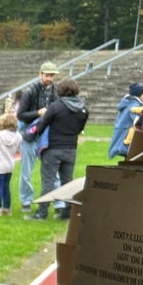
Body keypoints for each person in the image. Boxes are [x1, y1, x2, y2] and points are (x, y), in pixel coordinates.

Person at [29, 78, 88, 221]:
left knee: (48, 182)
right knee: (68, 182)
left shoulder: (56, 107)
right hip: (71, 149)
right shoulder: (83, 109)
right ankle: (68, 212)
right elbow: (80, 128)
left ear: (60, 91)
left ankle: (42, 213)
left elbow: (41, 126)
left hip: (53, 148)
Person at [16, 61, 58, 214]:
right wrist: (37, 113)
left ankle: (58, 203)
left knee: (54, 170)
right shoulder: (30, 92)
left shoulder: (56, 92)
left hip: (48, 135)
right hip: (30, 134)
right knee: (26, 171)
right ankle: (26, 201)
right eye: (47, 75)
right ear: (40, 74)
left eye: (52, 75)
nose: (49, 78)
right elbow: (20, 115)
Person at [108, 83, 143, 159]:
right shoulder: (134, 104)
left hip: (122, 133)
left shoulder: (127, 102)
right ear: (140, 94)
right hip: (127, 136)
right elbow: (137, 121)